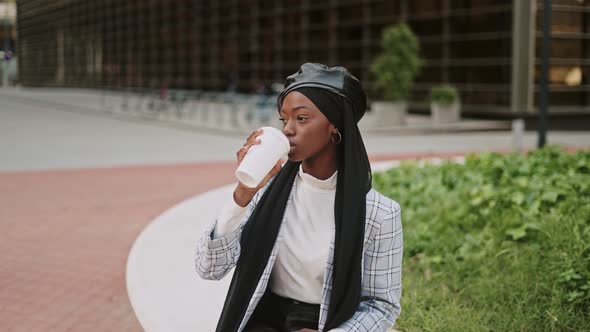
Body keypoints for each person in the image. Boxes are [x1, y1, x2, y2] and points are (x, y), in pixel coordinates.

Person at [195, 63, 403, 332]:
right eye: (284, 119)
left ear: (335, 125)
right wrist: (243, 194)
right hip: (263, 321)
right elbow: (209, 268)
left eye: (301, 118)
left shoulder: (379, 214)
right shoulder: (267, 193)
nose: (287, 130)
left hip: (325, 322)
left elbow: (381, 306)